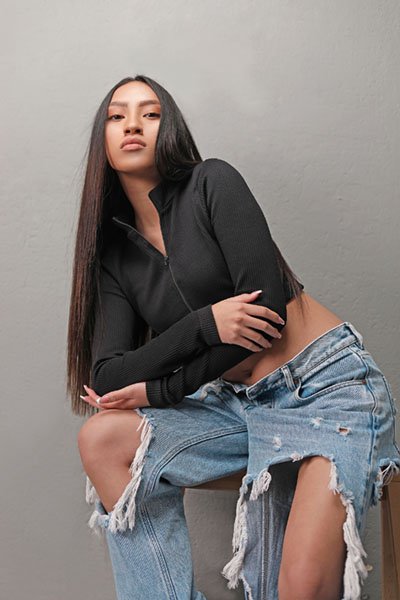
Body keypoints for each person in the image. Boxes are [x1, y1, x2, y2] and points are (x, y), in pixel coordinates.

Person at [67, 74, 400, 600]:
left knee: (297, 587)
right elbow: (108, 375)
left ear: (169, 129)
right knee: (100, 438)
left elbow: (267, 312)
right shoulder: (116, 254)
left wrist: (164, 388)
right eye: (117, 116)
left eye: (150, 113)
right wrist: (204, 325)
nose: (133, 124)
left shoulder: (212, 182)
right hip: (241, 405)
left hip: (324, 388)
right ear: (102, 140)